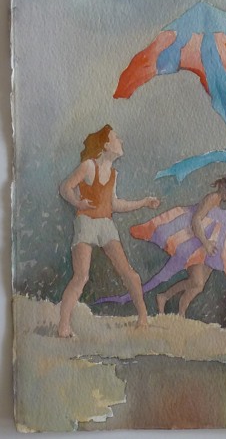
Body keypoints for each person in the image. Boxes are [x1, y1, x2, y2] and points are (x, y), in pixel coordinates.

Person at [58, 125, 160, 338]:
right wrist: (77, 202)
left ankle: (143, 317)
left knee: (129, 273)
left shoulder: (113, 174)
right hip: (86, 222)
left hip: (106, 224)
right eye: (116, 138)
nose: (121, 141)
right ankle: (63, 326)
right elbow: (65, 187)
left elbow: (114, 205)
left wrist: (143, 202)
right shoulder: (88, 166)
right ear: (106, 145)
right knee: (81, 276)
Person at [155, 175, 226, 317]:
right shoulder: (212, 198)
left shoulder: (218, 203)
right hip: (196, 243)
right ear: (222, 187)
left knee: (198, 286)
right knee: (196, 281)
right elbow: (196, 220)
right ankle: (164, 296)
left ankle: (181, 313)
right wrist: (206, 243)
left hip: (206, 248)